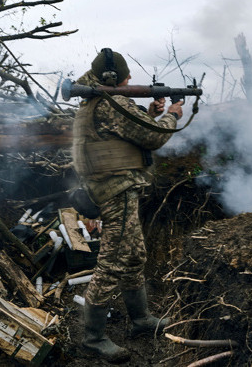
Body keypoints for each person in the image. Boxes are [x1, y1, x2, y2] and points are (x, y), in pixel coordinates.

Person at [71, 48, 183, 362]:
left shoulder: (95, 103)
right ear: (112, 78)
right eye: (125, 75)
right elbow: (154, 137)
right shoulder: (113, 103)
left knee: (134, 254)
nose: (130, 79)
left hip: (113, 188)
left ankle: (141, 319)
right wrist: (172, 114)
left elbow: (126, 134)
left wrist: (149, 114)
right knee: (113, 261)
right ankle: (93, 337)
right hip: (116, 191)